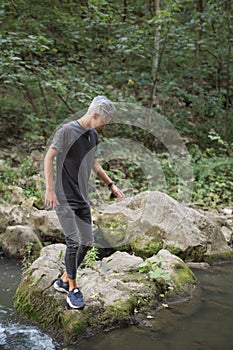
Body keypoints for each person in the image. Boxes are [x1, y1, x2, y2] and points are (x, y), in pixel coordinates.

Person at [44, 96, 124, 309]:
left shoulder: (93, 135)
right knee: (74, 242)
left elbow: (94, 163)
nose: (105, 126)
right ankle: (73, 289)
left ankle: (63, 279)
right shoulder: (66, 131)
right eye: (104, 121)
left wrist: (111, 185)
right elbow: (48, 157)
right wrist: (50, 190)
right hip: (63, 195)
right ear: (95, 114)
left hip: (81, 197)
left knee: (87, 242)